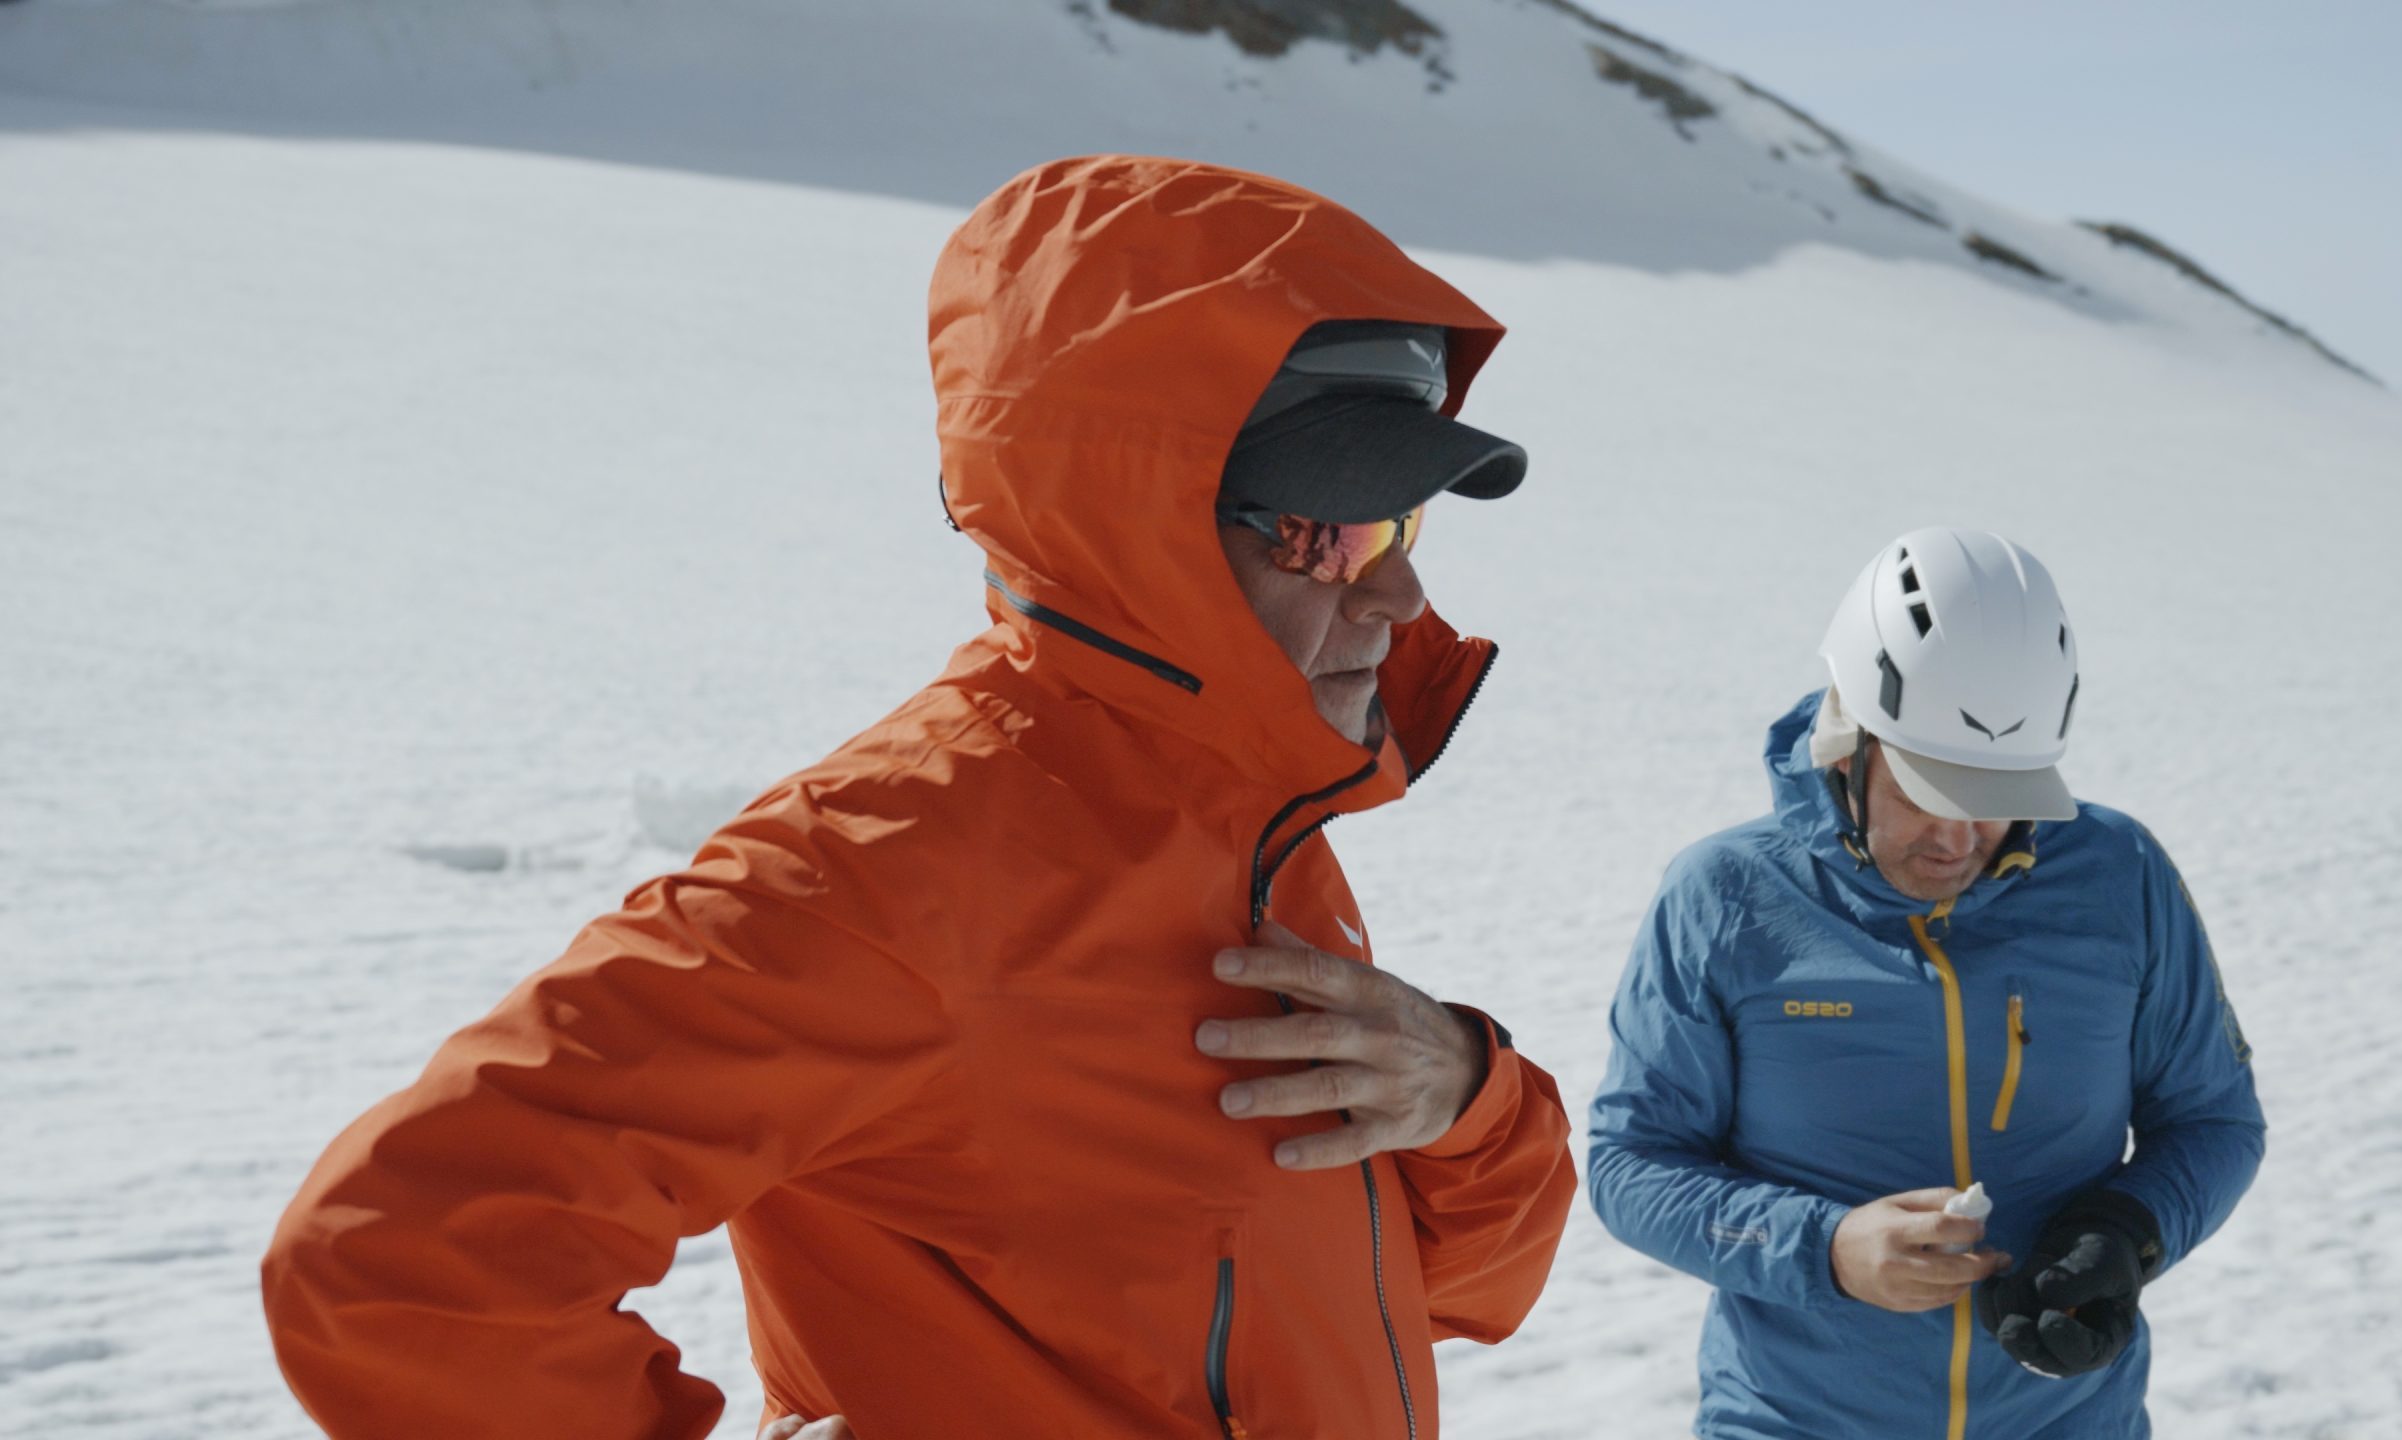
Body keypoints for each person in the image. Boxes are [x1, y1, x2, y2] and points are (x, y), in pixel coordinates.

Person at [262, 154, 1576, 1439]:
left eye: (1403, 525)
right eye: (1326, 531)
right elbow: (395, 1262)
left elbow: (1446, 1301)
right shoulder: (889, 864)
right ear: (1128, 524)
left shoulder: (1254, 832)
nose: (1397, 597)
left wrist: (1467, 1093)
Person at [1587, 527, 2263, 1438]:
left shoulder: (2119, 874)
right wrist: (1824, 1250)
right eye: (1922, 787)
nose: (1957, 840)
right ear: (1847, 736)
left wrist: (2126, 1232)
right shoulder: (1724, 895)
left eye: (1996, 796)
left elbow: (2215, 1121)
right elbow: (1632, 1166)